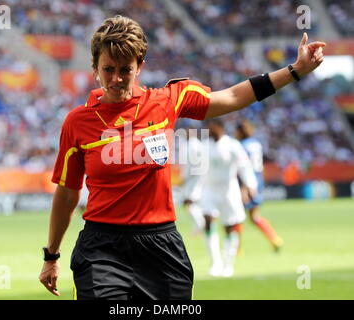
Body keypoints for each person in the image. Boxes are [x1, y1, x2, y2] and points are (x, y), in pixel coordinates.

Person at [39, 15, 325, 299]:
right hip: (102, 249)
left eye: (125, 69)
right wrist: (51, 255)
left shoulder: (168, 100)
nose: (116, 79)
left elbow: (235, 97)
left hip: (161, 248)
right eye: (108, 69)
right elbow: (66, 193)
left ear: (140, 67)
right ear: (94, 67)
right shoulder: (77, 122)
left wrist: (295, 70)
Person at [201, 118, 258, 277]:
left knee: (230, 226)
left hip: (229, 190)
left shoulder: (232, 145)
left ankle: (228, 264)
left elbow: (244, 166)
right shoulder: (205, 145)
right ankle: (215, 262)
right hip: (210, 190)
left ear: (220, 128)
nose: (209, 131)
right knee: (208, 222)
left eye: (211, 128)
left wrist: (249, 186)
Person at [235, 120, 283, 252]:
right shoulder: (256, 144)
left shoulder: (241, 146)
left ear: (239, 132)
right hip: (258, 181)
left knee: (236, 217)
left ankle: (236, 249)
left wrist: (244, 187)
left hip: (246, 184)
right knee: (254, 217)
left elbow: (245, 168)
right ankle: (274, 239)